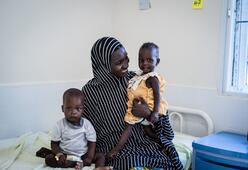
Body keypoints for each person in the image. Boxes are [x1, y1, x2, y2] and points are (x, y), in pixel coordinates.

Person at [82, 37, 182, 169]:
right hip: (112, 148)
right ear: (104, 65)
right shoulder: (89, 91)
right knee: (129, 162)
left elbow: (160, 111)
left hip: (145, 142)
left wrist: (148, 113)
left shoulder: (136, 80)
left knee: (166, 161)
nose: (126, 64)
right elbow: (83, 128)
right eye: (119, 62)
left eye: (127, 58)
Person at [45, 88, 110, 170]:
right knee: (49, 159)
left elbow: (92, 142)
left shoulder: (87, 124)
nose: (73, 112)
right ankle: (74, 164)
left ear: (83, 109)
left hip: (83, 155)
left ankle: (98, 167)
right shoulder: (59, 125)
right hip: (65, 155)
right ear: (62, 108)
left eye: (78, 108)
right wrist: (59, 154)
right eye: (68, 108)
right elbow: (54, 144)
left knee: (101, 156)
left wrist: (89, 158)